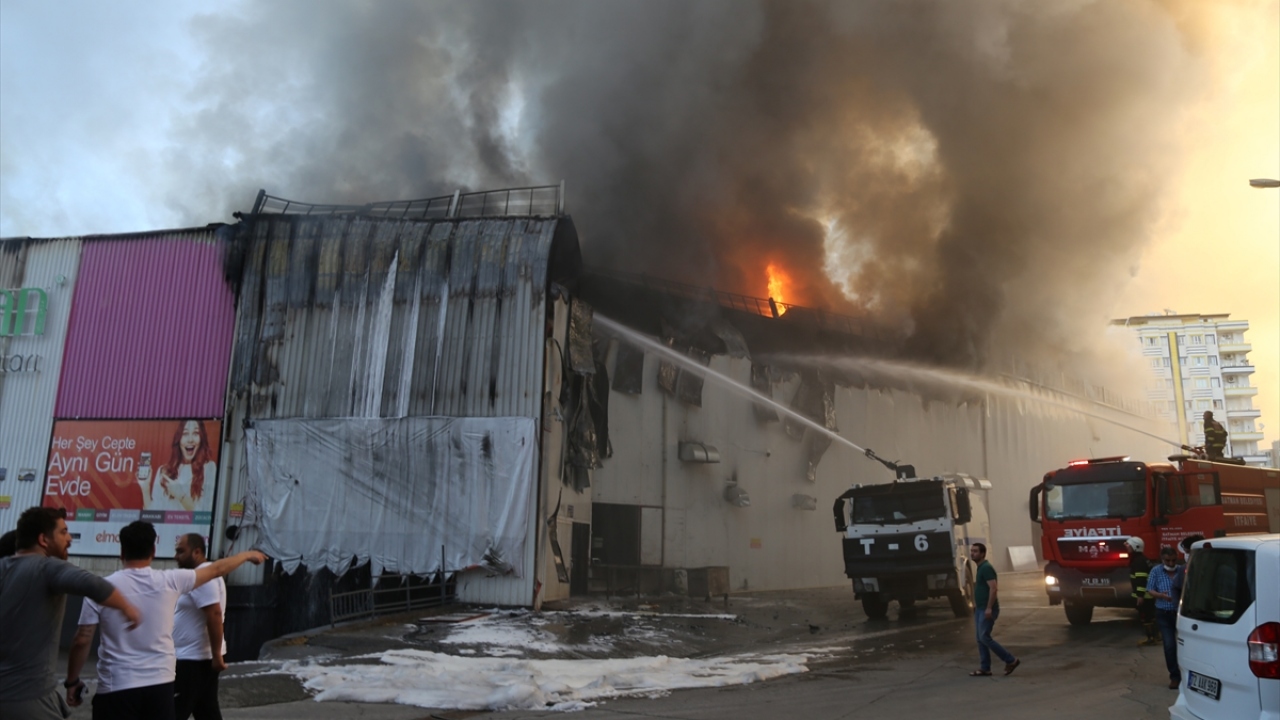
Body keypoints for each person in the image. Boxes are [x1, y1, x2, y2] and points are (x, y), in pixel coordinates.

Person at [66, 521, 265, 720]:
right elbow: (216, 569)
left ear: (122, 552)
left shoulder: (99, 588)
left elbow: (82, 640)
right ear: (153, 550)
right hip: (161, 685)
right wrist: (247, 555)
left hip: (116, 686)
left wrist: (72, 681)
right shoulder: (170, 580)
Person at [0, 507, 142, 720]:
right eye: (63, 532)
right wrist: (128, 608)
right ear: (43, 539)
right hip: (29, 699)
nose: (69, 538)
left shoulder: (3, 566)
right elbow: (95, 585)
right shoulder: (48, 568)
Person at [172, 533, 227, 720]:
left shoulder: (201, 578)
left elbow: (214, 614)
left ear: (197, 552)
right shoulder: (202, 574)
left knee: (174, 710)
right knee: (206, 710)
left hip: (193, 659)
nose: (176, 556)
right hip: (198, 657)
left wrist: (217, 656)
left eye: (181, 551)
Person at [967, 542, 1020, 677]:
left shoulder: (986, 568)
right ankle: (985, 668)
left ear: (983, 554)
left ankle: (1010, 660)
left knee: (984, 637)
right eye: (972, 551)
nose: (972, 553)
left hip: (987, 609)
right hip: (980, 609)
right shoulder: (980, 568)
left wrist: (989, 608)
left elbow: (994, 588)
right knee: (980, 638)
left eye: (975, 551)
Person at [149, 420, 218, 512]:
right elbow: (153, 513)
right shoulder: (164, 470)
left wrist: (180, 494)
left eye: (195, 433)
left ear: (201, 438)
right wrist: (145, 488)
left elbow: (204, 513)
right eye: (185, 433)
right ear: (179, 439)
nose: (190, 439)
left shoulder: (209, 468)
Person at [1145, 546, 1184, 689]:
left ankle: (1187, 675)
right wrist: (1161, 596)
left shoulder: (1181, 570)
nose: (1171, 564)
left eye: (1174, 560)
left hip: (1180, 614)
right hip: (1164, 613)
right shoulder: (1156, 571)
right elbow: (1150, 589)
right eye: (1168, 561)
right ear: (1162, 559)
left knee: (1185, 645)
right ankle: (1175, 676)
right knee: (1169, 646)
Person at [1124, 536, 1158, 645]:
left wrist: (1140, 595)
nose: (1127, 547)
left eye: (1129, 545)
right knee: (1151, 616)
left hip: (1145, 596)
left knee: (1146, 617)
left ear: (1135, 547)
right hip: (1148, 595)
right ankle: (1156, 636)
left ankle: (1150, 638)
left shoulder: (1138, 561)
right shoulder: (1142, 559)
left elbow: (1141, 579)